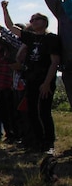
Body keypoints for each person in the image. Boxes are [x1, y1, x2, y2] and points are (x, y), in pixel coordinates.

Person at [18, 11, 61, 154]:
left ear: (44, 21)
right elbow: (10, 27)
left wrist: (47, 82)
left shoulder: (52, 39)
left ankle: (49, 143)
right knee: (31, 112)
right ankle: (37, 142)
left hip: (45, 81)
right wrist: (5, 9)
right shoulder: (30, 38)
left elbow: (54, 62)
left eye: (36, 19)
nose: (33, 21)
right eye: (31, 20)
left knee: (44, 112)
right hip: (31, 80)